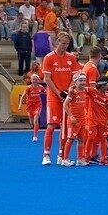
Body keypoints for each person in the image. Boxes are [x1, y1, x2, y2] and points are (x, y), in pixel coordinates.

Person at [41, 32, 81, 165]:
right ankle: (46, 155)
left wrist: (68, 91)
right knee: (51, 125)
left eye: (67, 44)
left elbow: (74, 79)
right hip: (53, 96)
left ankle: (61, 154)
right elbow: (47, 79)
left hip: (66, 96)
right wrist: (59, 93)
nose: (65, 46)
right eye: (63, 43)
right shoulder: (49, 58)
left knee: (65, 127)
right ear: (57, 42)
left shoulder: (71, 57)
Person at [61, 73, 90, 167]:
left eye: (84, 80)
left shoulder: (85, 91)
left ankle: (80, 159)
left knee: (81, 139)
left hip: (83, 119)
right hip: (74, 120)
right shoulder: (72, 92)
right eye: (80, 80)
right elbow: (65, 105)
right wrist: (71, 116)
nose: (83, 82)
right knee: (70, 139)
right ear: (75, 81)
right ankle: (65, 159)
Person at [85, 76, 108, 166]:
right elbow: (81, 88)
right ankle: (86, 158)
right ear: (102, 85)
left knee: (103, 139)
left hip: (102, 120)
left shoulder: (107, 95)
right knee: (91, 137)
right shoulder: (92, 91)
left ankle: (103, 158)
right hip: (92, 119)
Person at [18, 73, 45, 141]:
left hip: (38, 105)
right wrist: (20, 105)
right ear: (31, 80)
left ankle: (35, 136)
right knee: (32, 122)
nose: (35, 81)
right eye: (33, 79)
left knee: (36, 120)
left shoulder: (41, 87)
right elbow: (23, 96)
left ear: (38, 80)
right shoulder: (28, 88)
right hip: (30, 106)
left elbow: (47, 93)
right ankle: (34, 127)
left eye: (36, 79)